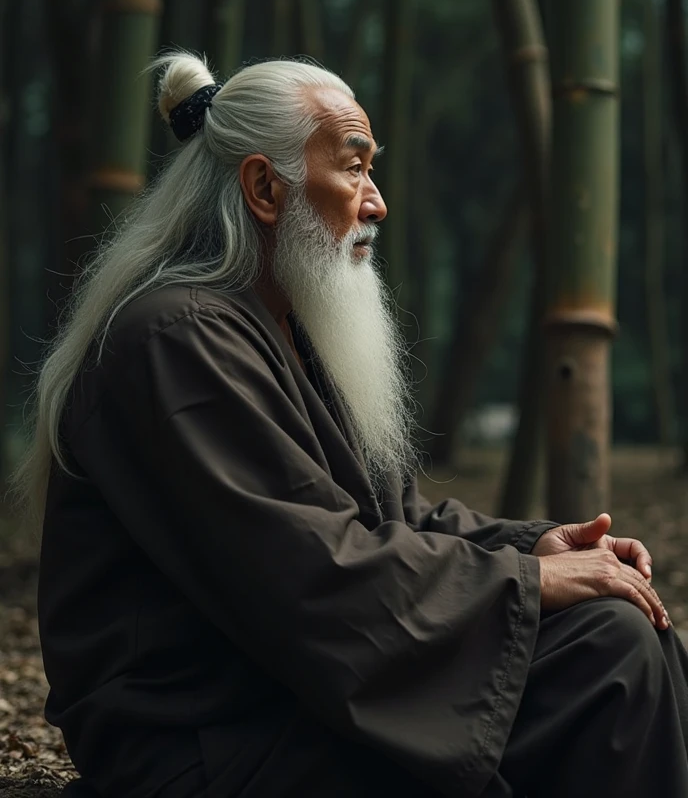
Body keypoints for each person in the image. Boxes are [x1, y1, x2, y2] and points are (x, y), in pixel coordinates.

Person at [16, 52, 688, 797]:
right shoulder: (177, 336)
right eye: (355, 167)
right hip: (203, 739)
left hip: (286, 695)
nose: (376, 203)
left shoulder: (279, 330)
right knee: (606, 651)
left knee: (626, 624)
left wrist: (535, 545)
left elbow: (393, 519)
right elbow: (308, 569)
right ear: (265, 188)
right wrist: (528, 581)